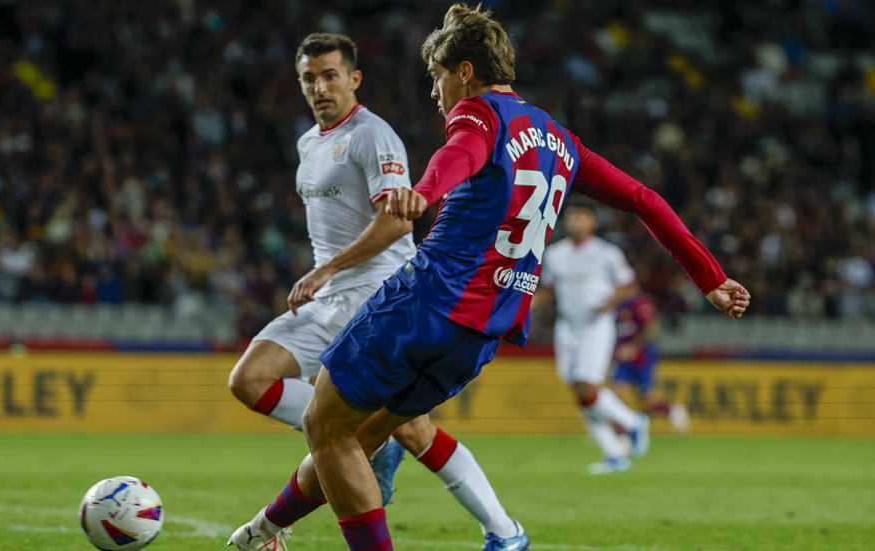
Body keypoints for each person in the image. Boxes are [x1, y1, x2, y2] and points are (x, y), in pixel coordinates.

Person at [229, 5, 750, 551]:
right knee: (352, 441)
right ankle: (259, 534)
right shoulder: (560, 140)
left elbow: (458, 155)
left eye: (437, 77)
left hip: (425, 304)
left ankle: (273, 532)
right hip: (481, 333)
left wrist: (423, 193)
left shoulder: (478, 114)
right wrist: (709, 277)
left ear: (465, 73)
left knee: (324, 426)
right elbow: (643, 199)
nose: (435, 93)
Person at [225, 32, 525, 551]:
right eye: (309, 79)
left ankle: (503, 529)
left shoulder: (373, 135)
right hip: (327, 298)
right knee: (249, 379)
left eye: (330, 75)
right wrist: (324, 277)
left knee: (415, 431)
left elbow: (397, 223)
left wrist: (326, 270)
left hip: (377, 292)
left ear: (354, 79)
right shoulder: (307, 142)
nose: (319, 87)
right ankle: (359, 442)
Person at [539, 206, 649, 474]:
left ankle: (632, 421)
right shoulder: (555, 254)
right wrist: (524, 307)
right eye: (572, 217)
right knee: (577, 390)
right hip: (567, 326)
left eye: (581, 216)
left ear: (592, 222)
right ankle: (613, 453)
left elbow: (630, 285)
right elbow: (549, 289)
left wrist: (611, 300)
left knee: (587, 386)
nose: (576, 222)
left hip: (596, 326)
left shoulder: (607, 253)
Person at [612, 289, 690, 434]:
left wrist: (633, 347)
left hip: (642, 356)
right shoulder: (614, 302)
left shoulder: (639, 302)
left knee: (648, 402)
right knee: (617, 396)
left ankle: (673, 410)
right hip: (623, 358)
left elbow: (653, 327)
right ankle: (621, 436)